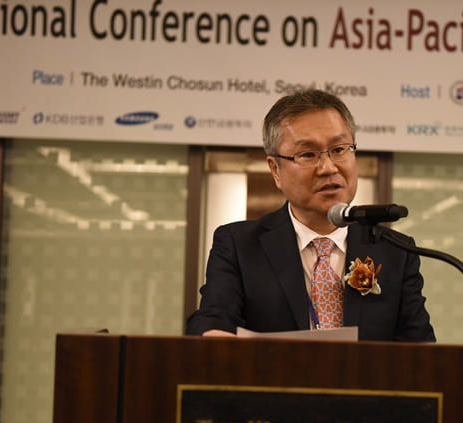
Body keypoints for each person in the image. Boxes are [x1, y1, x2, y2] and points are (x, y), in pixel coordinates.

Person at [185, 89, 435, 342]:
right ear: (276, 170)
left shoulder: (396, 252)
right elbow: (212, 318)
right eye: (308, 154)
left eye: (339, 149)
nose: (328, 167)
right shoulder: (239, 246)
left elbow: (421, 348)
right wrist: (214, 334)